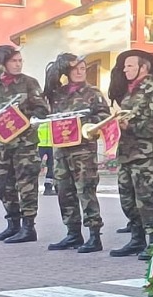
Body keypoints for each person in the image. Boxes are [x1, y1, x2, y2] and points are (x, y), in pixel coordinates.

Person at [43, 54, 110, 254]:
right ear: (67, 71)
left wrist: (87, 123)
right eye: (75, 68)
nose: (80, 72)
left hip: (83, 151)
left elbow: (103, 117)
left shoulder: (93, 93)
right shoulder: (58, 93)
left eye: (83, 68)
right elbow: (49, 83)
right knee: (64, 191)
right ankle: (73, 233)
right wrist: (61, 64)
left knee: (86, 191)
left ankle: (94, 235)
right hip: (62, 149)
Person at [106, 50, 153, 259]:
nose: (125, 69)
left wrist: (129, 126)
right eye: (125, 66)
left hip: (145, 157)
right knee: (128, 199)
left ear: (144, 67)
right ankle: (136, 238)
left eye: (130, 65)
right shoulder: (128, 92)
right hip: (126, 155)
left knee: (148, 199)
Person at [0, 44, 50, 245]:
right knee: (4, 187)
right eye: (14, 61)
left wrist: (29, 118)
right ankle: (13, 225)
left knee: (26, 186)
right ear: (3, 63)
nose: (18, 64)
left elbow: (43, 109)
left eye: (20, 61)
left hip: (25, 144)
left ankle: (28, 227)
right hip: (2, 145)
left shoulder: (28, 83)